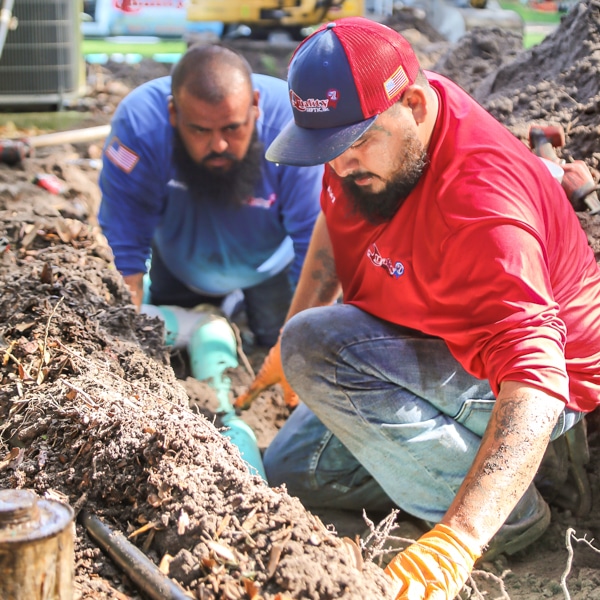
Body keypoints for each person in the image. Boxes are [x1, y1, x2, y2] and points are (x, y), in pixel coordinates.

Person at [234, 17, 600, 599]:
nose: (339, 166)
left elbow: (536, 375)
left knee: (316, 345)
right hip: (429, 336)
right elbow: (337, 217)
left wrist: (459, 535)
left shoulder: (482, 206)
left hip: (540, 388)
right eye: (325, 150)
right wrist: (284, 338)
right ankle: (455, 468)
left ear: (415, 103)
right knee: (291, 475)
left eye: (353, 143)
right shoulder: (374, 150)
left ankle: (509, 514)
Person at [98, 44, 323, 348]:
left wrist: (303, 345)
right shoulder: (139, 129)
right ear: (173, 114)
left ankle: (241, 311)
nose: (219, 145)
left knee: (279, 343)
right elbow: (124, 243)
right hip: (180, 262)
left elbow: (316, 244)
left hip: (270, 267)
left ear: (255, 106)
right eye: (201, 130)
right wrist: (120, 345)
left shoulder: (293, 130)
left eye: (232, 128)